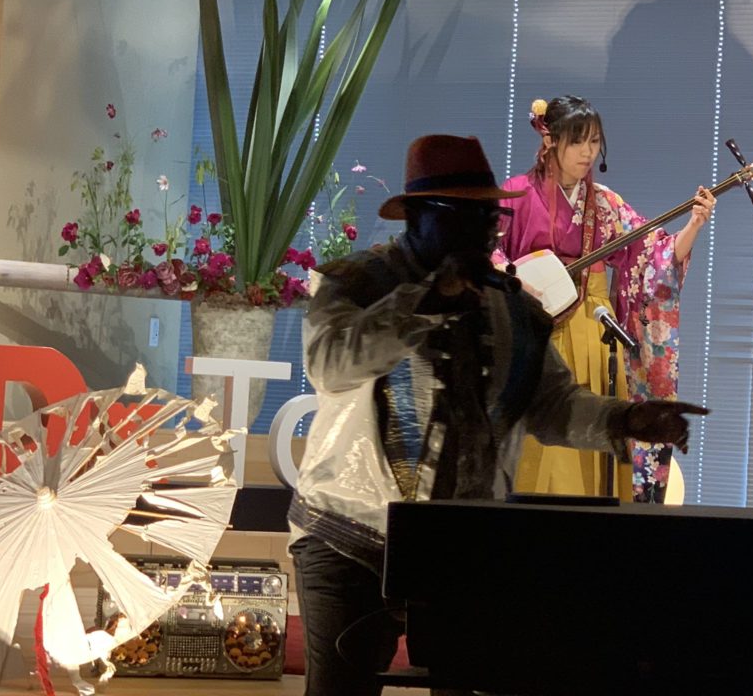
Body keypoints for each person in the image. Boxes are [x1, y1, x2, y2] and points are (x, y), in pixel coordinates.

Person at [288, 133, 708, 696]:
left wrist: (625, 420)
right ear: (419, 216)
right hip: (348, 536)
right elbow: (329, 365)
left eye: (491, 213)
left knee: (464, 683)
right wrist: (425, 300)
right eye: (468, 213)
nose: (489, 227)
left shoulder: (512, 305)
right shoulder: (356, 283)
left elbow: (550, 402)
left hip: (461, 543)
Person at [494, 95, 716, 503]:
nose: (588, 152)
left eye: (594, 142)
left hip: (593, 334)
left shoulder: (604, 203)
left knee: (594, 439)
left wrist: (694, 225)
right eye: (577, 141)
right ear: (549, 140)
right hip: (533, 332)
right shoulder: (514, 193)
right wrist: (513, 280)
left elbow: (653, 254)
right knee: (540, 437)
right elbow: (488, 251)